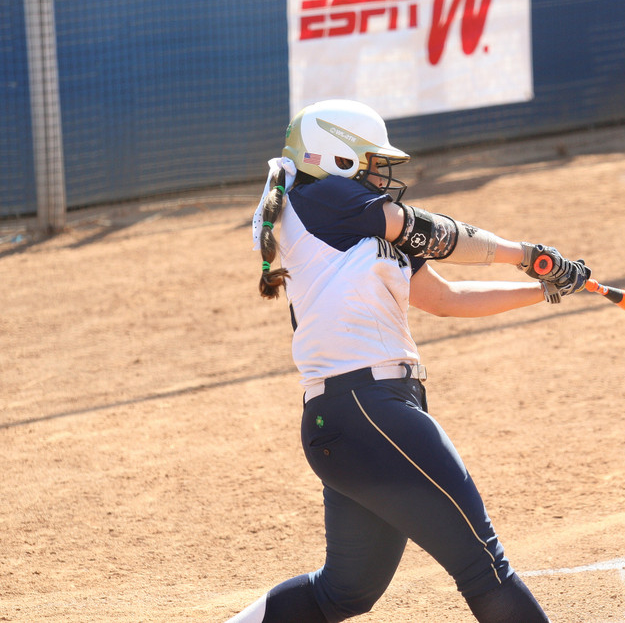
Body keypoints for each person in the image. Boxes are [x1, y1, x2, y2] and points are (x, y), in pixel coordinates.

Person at [227, 99, 590, 623]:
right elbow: (430, 230)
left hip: (353, 421)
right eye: (373, 162)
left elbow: (447, 300)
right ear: (335, 158)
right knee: (485, 568)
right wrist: (526, 253)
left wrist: (544, 288)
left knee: (343, 593)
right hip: (368, 410)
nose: (382, 174)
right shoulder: (324, 197)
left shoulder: (356, 226)